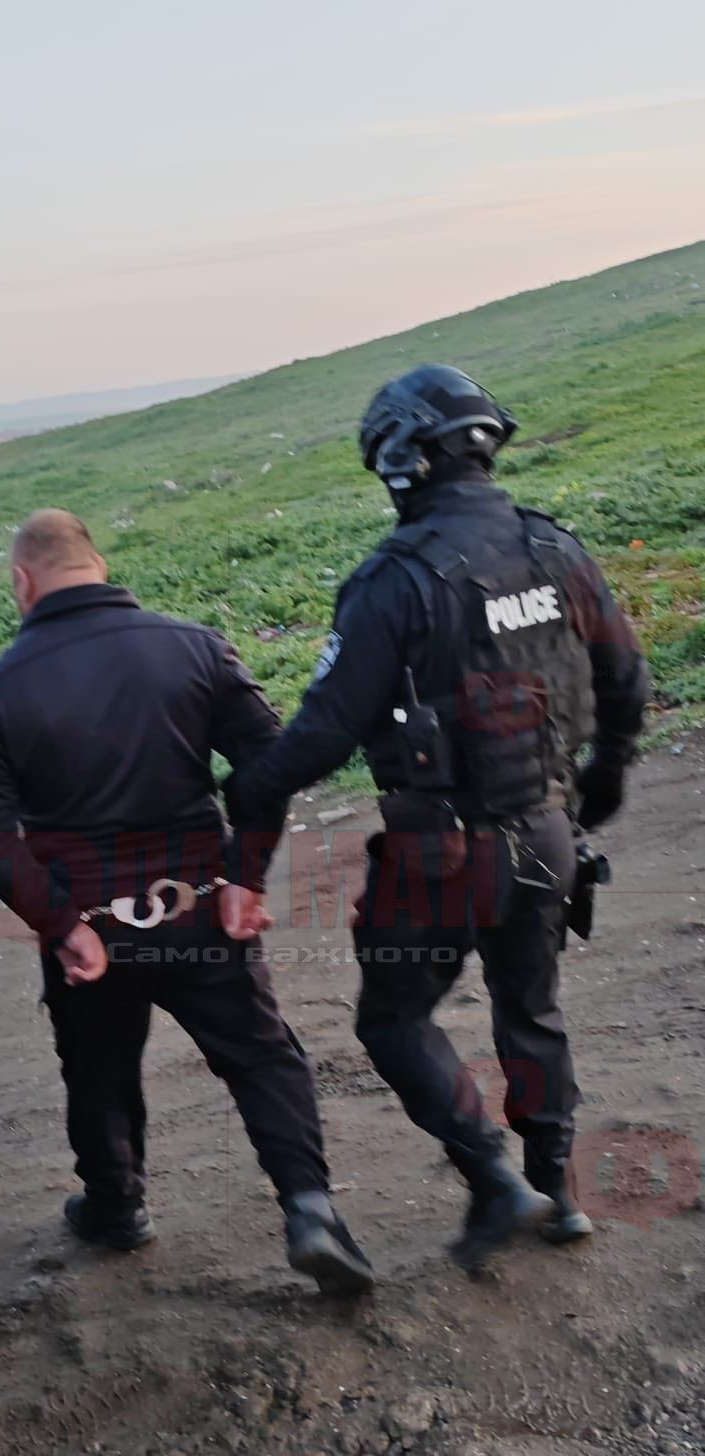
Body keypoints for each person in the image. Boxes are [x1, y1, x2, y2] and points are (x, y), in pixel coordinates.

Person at [226, 366, 649, 1268]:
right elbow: (625, 677)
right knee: (531, 1008)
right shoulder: (558, 551)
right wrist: (606, 775)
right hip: (549, 831)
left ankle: (494, 1178)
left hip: (443, 854)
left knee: (393, 1019)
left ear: (402, 461)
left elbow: (326, 731)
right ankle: (558, 1189)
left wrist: (251, 789)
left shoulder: (393, 581)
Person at [0, 509, 372, 1294]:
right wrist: (245, 875)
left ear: (22, 582)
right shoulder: (194, 647)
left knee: (98, 1070)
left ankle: (117, 1208)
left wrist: (61, 923)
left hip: (95, 933)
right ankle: (311, 1210)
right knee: (260, 1056)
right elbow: (269, 762)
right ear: (99, 566)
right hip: (202, 908)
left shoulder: (0, 688)